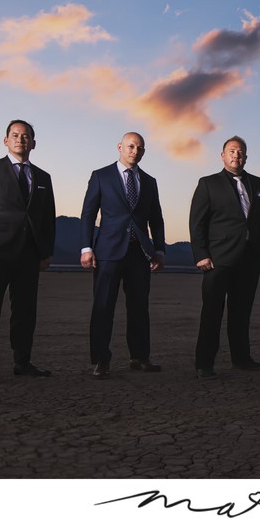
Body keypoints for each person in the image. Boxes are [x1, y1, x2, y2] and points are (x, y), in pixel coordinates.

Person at [0, 120, 56, 384]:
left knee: (26, 312)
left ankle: (23, 362)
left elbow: (47, 219)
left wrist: (44, 252)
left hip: (28, 256)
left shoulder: (43, 178)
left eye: (26, 136)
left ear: (33, 143)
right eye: (15, 135)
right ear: (5, 140)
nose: (21, 140)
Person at [80, 132, 166, 378]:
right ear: (119, 147)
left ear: (143, 152)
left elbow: (156, 219)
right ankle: (100, 360)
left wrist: (159, 249)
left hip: (140, 253)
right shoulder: (101, 176)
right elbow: (88, 214)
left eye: (139, 148)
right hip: (107, 252)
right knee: (103, 306)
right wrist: (86, 247)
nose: (134, 151)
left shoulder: (149, 182)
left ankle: (139, 357)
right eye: (130, 146)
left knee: (139, 307)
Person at [189, 136, 260, 379]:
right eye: (232, 151)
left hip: (249, 258)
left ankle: (242, 359)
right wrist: (201, 254)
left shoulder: (258, 183)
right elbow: (197, 222)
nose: (236, 155)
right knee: (212, 311)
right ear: (223, 155)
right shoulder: (208, 183)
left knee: (241, 311)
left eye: (241, 152)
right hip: (218, 258)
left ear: (246, 157)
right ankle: (204, 363)